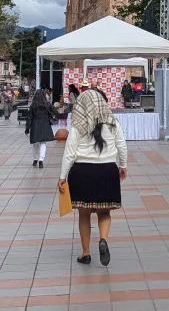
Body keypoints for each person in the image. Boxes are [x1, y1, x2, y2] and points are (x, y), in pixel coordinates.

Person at [58, 90, 127, 266]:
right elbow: (122, 145)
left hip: (82, 172)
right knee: (105, 212)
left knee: (84, 214)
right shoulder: (112, 123)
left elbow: (69, 153)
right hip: (108, 170)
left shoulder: (78, 125)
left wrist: (62, 176)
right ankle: (103, 239)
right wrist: (123, 165)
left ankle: (86, 253)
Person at [26, 90, 55, 168]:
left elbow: (29, 118)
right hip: (45, 124)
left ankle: (35, 159)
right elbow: (53, 113)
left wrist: (27, 129)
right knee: (43, 143)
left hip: (35, 125)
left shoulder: (33, 106)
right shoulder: (47, 105)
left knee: (35, 143)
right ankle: (41, 160)